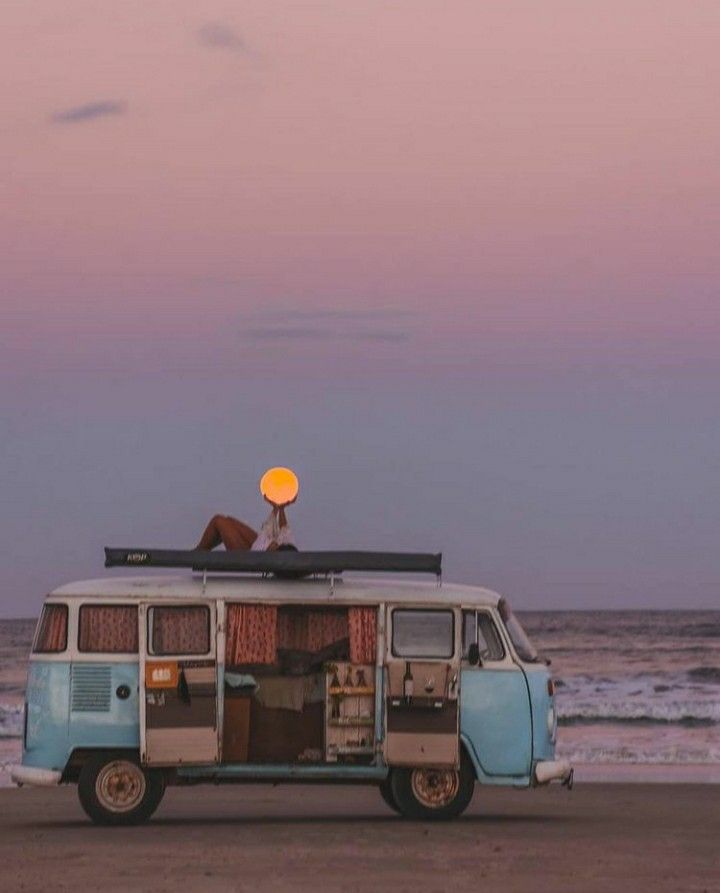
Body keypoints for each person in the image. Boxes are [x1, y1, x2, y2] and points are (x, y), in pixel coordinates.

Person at [195, 504, 296, 552]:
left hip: (244, 553)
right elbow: (284, 528)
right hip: (254, 545)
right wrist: (279, 508)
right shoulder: (284, 543)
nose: (274, 544)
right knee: (227, 520)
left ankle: (200, 551)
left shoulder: (265, 552)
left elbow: (274, 529)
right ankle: (201, 550)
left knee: (219, 521)